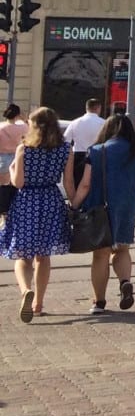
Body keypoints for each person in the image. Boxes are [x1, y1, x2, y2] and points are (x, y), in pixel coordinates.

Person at [67, 113, 135, 313]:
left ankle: (98, 302)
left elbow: (85, 184)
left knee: (101, 255)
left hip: (99, 208)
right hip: (126, 208)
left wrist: (73, 205)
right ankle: (125, 281)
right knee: (123, 250)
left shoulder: (96, 151)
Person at [1, 107, 74, 323]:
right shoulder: (65, 150)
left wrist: (14, 168)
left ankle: (26, 291)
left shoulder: (24, 149)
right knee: (43, 256)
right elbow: (68, 183)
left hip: (26, 202)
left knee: (24, 255)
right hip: (51, 201)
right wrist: (76, 203)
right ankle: (38, 303)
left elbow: (18, 182)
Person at [63, 96, 108, 185]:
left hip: (78, 156)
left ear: (86, 108)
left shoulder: (75, 122)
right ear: (99, 108)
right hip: (98, 155)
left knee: (78, 183)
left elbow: (65, 141)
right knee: (95, 184)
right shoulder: (104, 123)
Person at [0, 103, 26, 172]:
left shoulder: (1, 127)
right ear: (18, 115)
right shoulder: (24, 127)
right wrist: (24, 118)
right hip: (17, 158)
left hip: (2, 158)